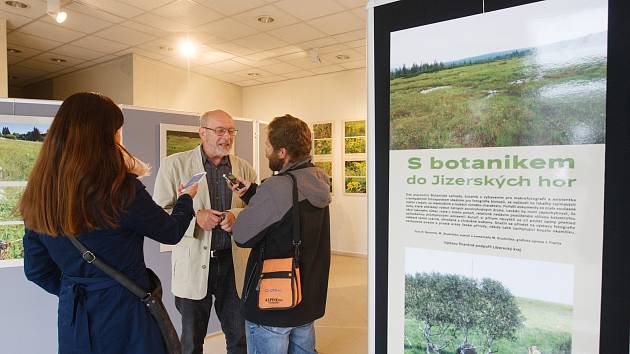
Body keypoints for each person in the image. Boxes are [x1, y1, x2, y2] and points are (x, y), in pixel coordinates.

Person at [20, 92, 198, 354]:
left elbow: (36, 270)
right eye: (116, 131)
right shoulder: (121, 190)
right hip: (125, 312)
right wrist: (185, 199)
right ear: (102, 137)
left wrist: (76, 289)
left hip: (75, 317)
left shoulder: (39, 194)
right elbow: (170, 232)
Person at [153, 109, 257, 354]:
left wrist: (236, 217)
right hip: (193, 264)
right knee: (191, 341)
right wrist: (194, 218)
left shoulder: (243, 168)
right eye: (220, 130)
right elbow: (158, 217)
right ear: (202, 133)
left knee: (239, 337)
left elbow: (258, 211)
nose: (227, 137)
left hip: (233, 266)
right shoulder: (174, 165)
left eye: (231, 131)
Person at [231, 114, 331, 354]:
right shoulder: (318, 178)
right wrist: (254, 193)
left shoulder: (277, 186)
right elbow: (290, 216)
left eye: (268, 146)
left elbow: (242, 235)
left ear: (282, 152)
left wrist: (236, 217)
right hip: (306, 298)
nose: (266, 152)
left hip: (274, 303)